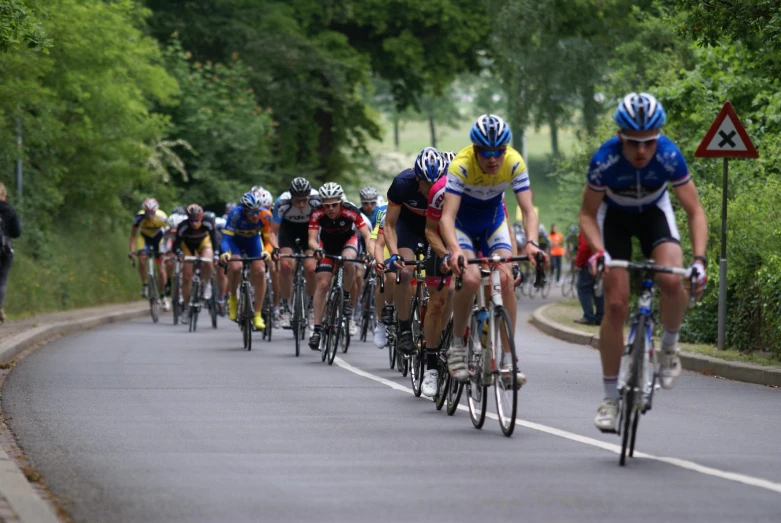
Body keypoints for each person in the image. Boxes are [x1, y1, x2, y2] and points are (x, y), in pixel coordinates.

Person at [579, 92, 707, 433]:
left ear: (658, 137)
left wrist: (699, 260)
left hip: (654, 213)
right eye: (633, 142)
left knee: (670, 281)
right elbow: (588, 214)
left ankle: (668, 348)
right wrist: (599, 252)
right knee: (617, 305)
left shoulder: (668, 155)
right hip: (614, 218)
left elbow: (694, 211)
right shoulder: (604, 160)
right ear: (620, 135)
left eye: (648, 142)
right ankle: (609, 399)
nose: (641, 151)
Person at [440, 114, 545, 384]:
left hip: (492, 223)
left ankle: (509, 360)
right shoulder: (461, 165)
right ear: (475, 149)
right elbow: (447, 217)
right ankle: (457, 347)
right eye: (486, 152)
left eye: (498, 151)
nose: (493, 159)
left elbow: (528, 210)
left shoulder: (514, 162)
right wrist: (454, 250)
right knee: (472, 277)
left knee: (506, 278)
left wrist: (531, 242)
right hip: (462, 224)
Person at [383, 147, 444, 355]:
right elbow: (389, 225)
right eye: (427, 183)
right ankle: (404, 328)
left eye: (435, 183)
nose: (431, 189)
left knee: (439, 273)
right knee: (406, 271)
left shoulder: (447, 186)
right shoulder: (402, 183)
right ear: (417, 178)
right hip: (407, 227)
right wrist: (394, 254)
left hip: (434, 228)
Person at [307, 183, 371, 350]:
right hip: (326, 247)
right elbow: (312, 239)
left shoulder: (350, 211)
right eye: (326, 205)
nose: (330, 209)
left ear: (340, 202)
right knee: (323, 284)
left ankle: (347, 298)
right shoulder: (317, 213)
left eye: (334, 205)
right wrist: (317, 249)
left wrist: (369, 253)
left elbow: (366, 235)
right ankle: (317, 329)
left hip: (347, 242)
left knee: (349, 261)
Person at [271, 177, 321, 329]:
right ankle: (286, 309)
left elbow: (323, 225)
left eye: (304, 200)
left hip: (309, 231)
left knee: (311, 268)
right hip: (288, 230)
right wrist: (275, 248)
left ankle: (312, 308)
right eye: (297, 201)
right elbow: (273, 232)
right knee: (285, 266)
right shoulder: (282, 202)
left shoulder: (316, 199)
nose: (300, 205)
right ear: (291, 197)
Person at [220, 192, 270, 330]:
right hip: (236, 243)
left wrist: (267, 251)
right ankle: (233, 298)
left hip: (253, 243)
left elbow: (268, 239)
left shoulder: (265, 215)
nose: (255, 215)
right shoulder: (236, 214)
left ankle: (258, 314)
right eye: (250, 212)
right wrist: (225, 252)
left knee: (260, 271)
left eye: (256, 212)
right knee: (236, 266)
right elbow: (226, 239)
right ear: (244, 211)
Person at [173, 204, 216, 323]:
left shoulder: (208, 223)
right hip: (187, 246)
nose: (194, 223)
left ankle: (207, 284)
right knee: (186, 277)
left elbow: (214, 240)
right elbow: (176, 244)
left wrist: (216, 254)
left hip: (203, 244)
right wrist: (179, 253)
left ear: (201, 217)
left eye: (197, 220)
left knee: (208, 261)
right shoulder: (183, 226)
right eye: (191, 220)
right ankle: (186, 307)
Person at [129, 198, 169, 310]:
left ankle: (163, 296)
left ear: (155, 211)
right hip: (145, 238)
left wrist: (166, 250)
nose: (150, 215)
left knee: (161, 269)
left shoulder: (162, 217)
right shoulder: (139, 218)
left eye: (152, 213)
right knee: (142, 258)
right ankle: (145, 285)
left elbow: (169, 235)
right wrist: (132, 251)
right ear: (144, 211)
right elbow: (133, 236)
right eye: (147, 213)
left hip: (159, 239)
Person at [0, 183, 21, 323]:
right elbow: (16, 233)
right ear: (4, 194)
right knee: (1, 282)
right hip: (4, 250)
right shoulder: (9, 210)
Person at [573, 231, 603, 326]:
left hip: (588, 263)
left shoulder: (587, 226)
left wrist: (579, 263)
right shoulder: (601, 225)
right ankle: (600, 317)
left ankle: (588, 317)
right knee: (598, 290)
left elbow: (584, 247)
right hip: (601, 262)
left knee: (583, 289)